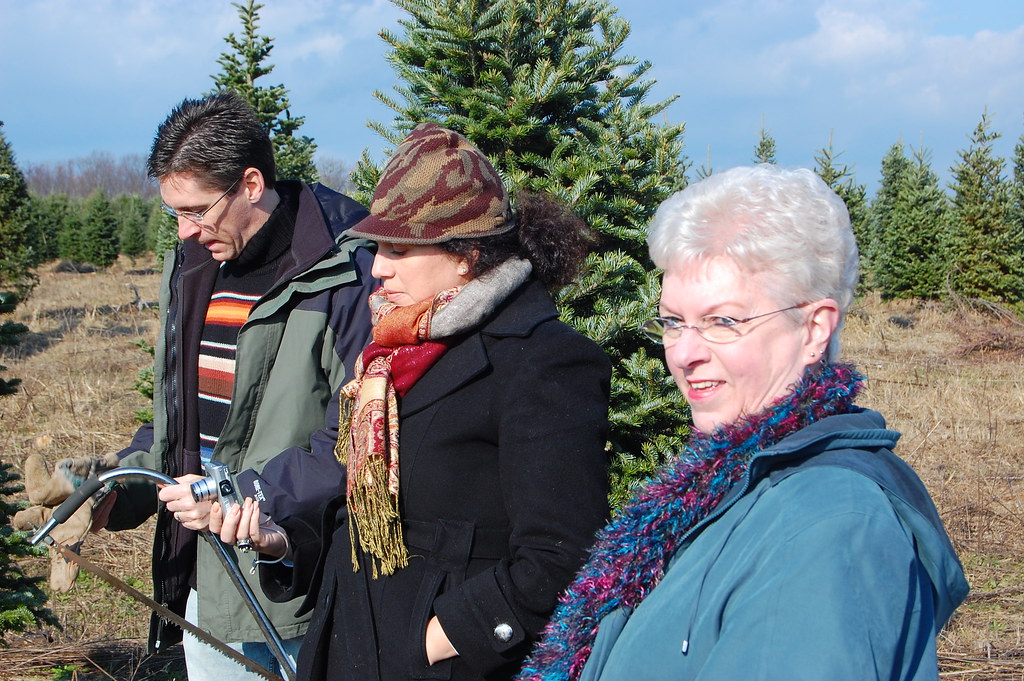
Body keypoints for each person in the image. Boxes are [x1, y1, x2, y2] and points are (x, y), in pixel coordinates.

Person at [517, 165, 970, 681]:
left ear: (815, 326)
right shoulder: (720, 486)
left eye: (723, 321)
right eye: (672, 322)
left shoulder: (831, 527)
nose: (684, 354)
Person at [209, 122, 612, 681]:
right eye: (377, 247)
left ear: (466, 255)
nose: (377, 268)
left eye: (399, 249)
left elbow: (563, 555)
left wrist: (431, 641)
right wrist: (282, 542)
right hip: (347, 651)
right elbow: (359, 514)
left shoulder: (542, 362)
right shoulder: (385, 355)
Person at [99, 91, 377, 680]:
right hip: (210, 580)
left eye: (198, 210)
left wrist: (242, 495)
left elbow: (360, 438)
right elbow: (184, 420)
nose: (186, 231)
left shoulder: (347, 270)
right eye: (174, 212)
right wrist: (114, 486)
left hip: (298, 587)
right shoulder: (197, 266)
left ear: (251, 184)